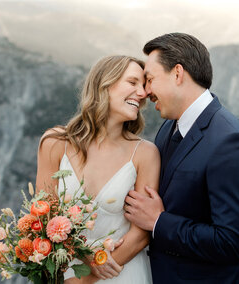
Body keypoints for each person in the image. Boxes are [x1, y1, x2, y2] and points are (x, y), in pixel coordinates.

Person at [124, 33, 239, 283]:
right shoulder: (167, 128)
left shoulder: (230, 141)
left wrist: (159, 221)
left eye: (150, 80)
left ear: (177, 73)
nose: (146, 92)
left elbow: (231, 243)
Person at [36, 55, 159, 283]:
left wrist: (87, 278)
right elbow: (42, 222)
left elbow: (141, 233)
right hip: (65, 273)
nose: (143, 94)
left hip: (123, 273)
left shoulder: (145, 153)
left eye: (143, 86)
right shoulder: (53, 143)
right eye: (133, 83)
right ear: (105, 84)